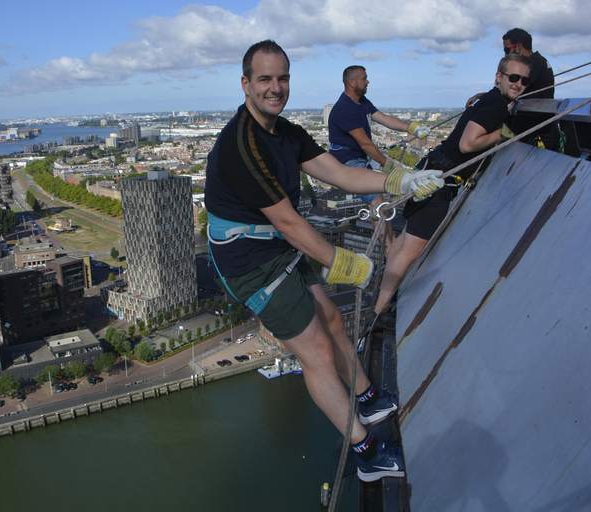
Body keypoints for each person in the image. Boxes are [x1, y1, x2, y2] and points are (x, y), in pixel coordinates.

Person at [204, 40, 443, 482]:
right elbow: (291, 223)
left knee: (332, 319)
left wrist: (400, 179)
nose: (275, 88)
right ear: (245, 84)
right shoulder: (241, 148)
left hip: (272, 243)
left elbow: (337, 172)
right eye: (265, 79)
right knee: (314, 350)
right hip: (249, 262)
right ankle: (366, 452)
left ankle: (366, 396)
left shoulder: (285, 132)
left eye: (282, 79)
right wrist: (346, 264)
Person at [370, 54, 531, 328]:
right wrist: (503, 134)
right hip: (441, 184)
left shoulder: (487, 99)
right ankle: (381, 310)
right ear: (499, 77)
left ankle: (380, 298)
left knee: (404, 243)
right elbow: (469, 145)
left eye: (524, 80)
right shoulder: (496, 106)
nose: (518, 84)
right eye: (513, 77)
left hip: (432, 172)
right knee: (411, 250)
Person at [328, 65, 431, 212]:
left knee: (379, 200)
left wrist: (413, 128)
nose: (368, 81)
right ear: (352, 82)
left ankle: (386, 235)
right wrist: (389, 165)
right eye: (364, 78)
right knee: (377, 201)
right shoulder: (345, 108)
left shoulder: (361, 102)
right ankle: (385, 235)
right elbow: (365, 144)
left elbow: (385, 119)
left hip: (359, 158)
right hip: (348, 162)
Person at [466, 28, 553, 107]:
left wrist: (482, 97)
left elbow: (510, 92)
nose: (506, 55)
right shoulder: (539, 60)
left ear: (518, 47)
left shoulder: (533, 63)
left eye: (507, 50)